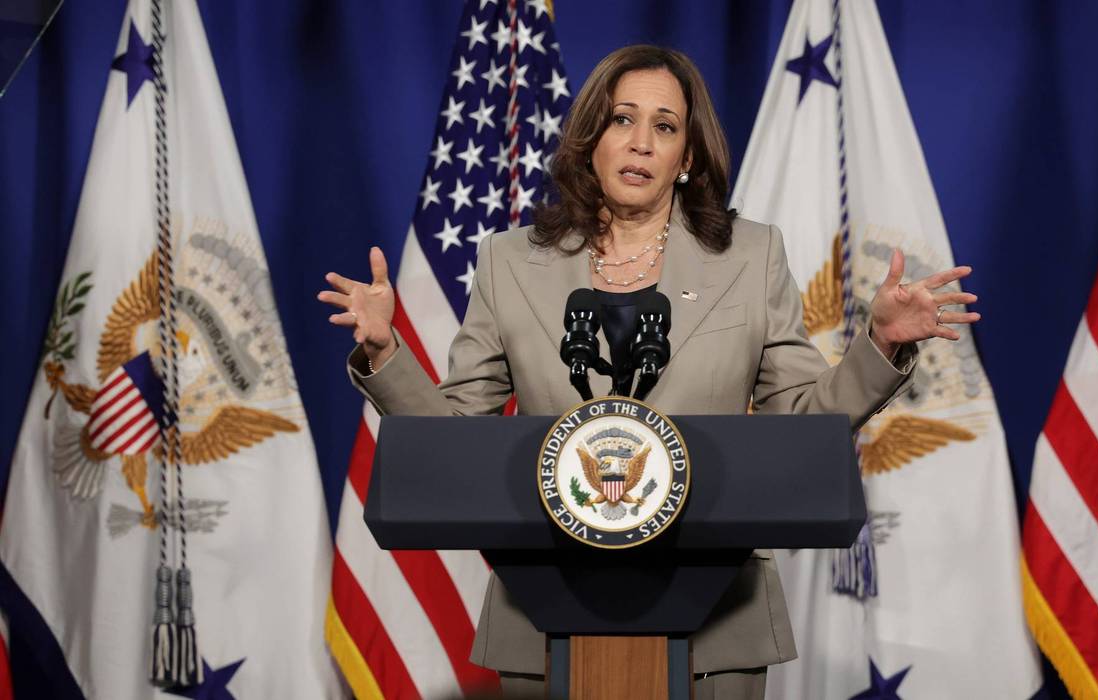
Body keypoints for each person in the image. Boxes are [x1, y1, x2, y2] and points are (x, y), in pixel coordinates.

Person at [319, 45, 979, 700]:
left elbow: (800, 423)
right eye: (620, 120)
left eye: (663, 126)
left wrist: (880, 343)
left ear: (686, 155)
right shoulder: (511, 262)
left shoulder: (749, 257)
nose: (639, 143)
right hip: (545, 609)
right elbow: (455, 441)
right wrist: (384, 353)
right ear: (590, 140)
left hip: (716, 615)